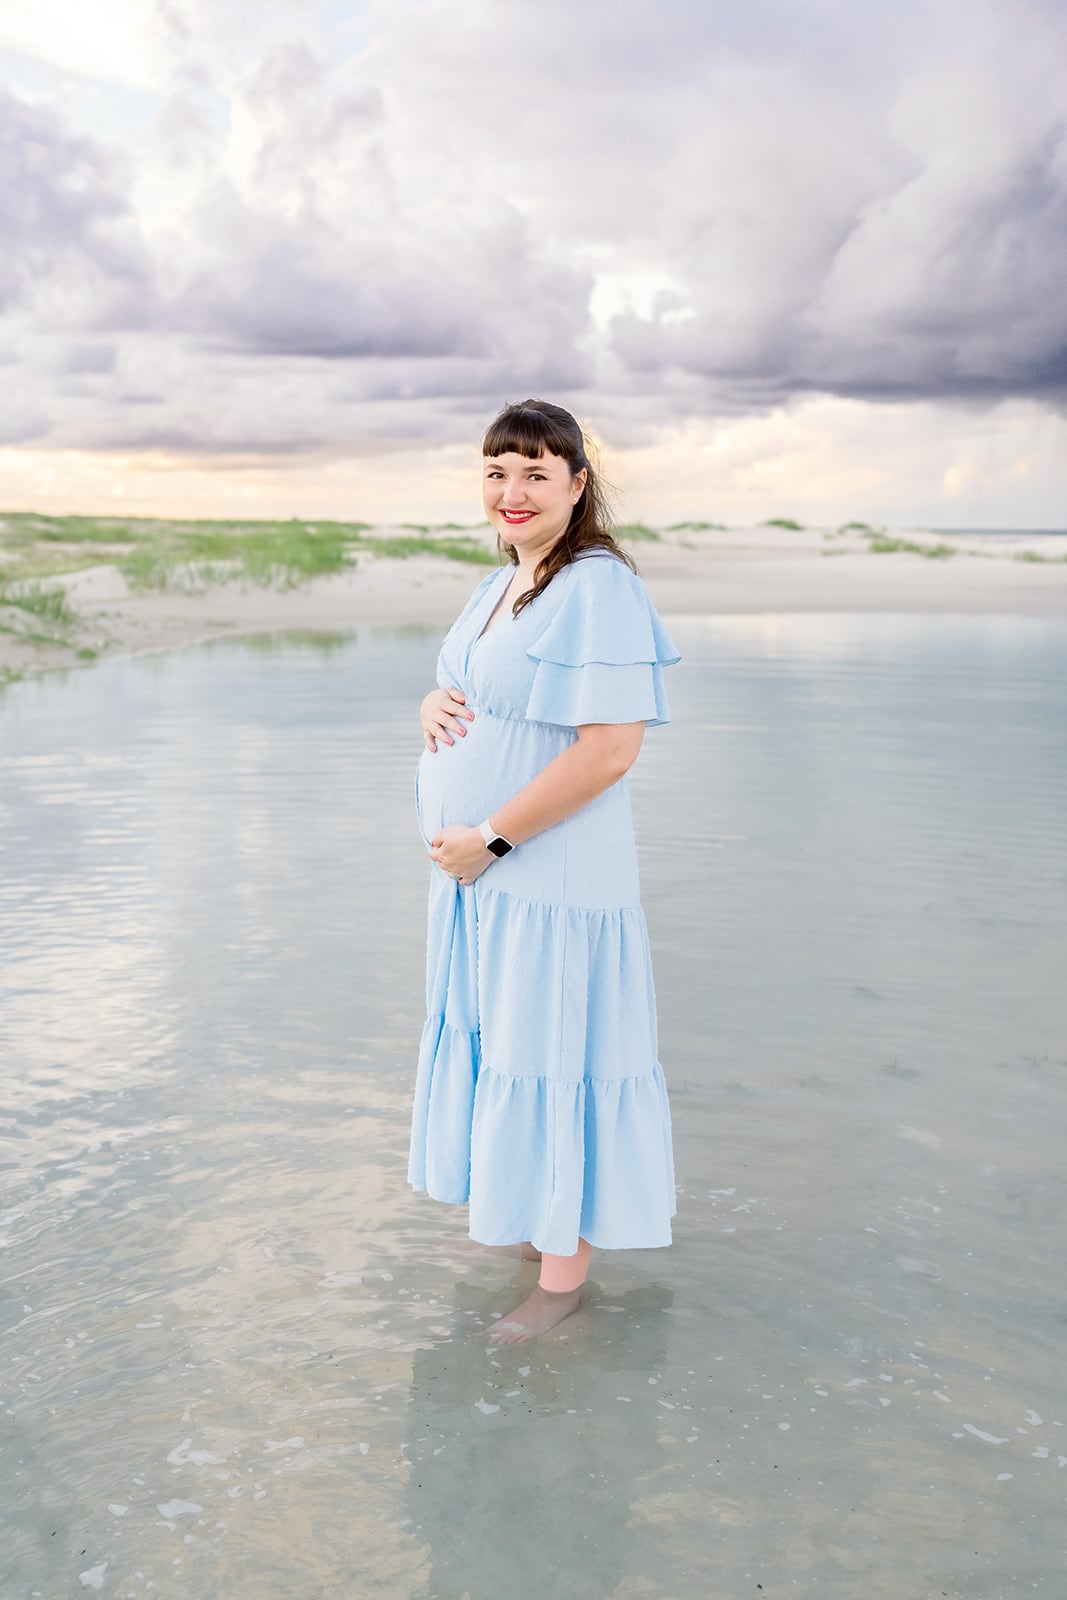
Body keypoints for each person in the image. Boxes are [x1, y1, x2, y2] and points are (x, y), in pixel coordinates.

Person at [408, 398, 679, 1344]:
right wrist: (434, 703)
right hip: (492, 887)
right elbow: (488, 692)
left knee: (556, 1057)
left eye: (534, 472)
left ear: (576, 484)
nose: (511, 491)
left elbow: (609, 750)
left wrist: (489, 837)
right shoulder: (507, 580)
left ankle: (562, 1288)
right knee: (511, 1050)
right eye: (495, 471)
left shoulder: (596, 584)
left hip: (545, 878)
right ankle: (535, 1228)